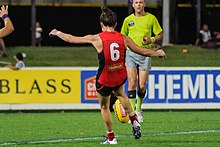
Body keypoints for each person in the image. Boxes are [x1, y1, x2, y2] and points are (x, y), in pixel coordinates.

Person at [49, 6, 165, 144]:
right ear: (116, 24)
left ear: (101, 24)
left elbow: (71, 39)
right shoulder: (124, 38)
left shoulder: (97, 38)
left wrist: (57, 33)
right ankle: (134, 121)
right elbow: (142, 51)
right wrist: (157, 53)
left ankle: (111, 138)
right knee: (121, 95)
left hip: (105, 79)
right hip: (119, 75)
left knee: (104, 106)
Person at [121, 0, 163, 123]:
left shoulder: (151, 18)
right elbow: (122, 36)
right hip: (131, 54)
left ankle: (138, 109)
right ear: (133, 5)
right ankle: (132, 113)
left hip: (145, 54)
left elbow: (160, 34)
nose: (138, 4)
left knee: (142, 85)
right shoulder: (128, 20)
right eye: (136, 2)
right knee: (132, 83)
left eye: (140, 2)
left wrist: (152, 39)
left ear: (144, 4)